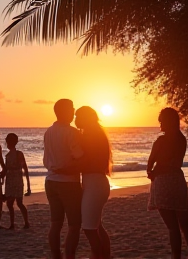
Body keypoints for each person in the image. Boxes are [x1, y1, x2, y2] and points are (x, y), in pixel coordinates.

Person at [56, 106, 111, 259]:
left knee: (89, 229)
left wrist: (65, 169)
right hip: (96, 183)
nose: (74, 119)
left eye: (77, 116)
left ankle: (99, 256)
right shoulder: (96, 134)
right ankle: (105, 255)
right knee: (97, 227)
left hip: (94, 184)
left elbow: (86, 163)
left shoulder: (90, 136)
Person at [147, 107, 188, 259]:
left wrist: (151, 172)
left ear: (168, 122)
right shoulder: (182, 140)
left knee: (172, 227)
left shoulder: (161, 141)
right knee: (185, 223)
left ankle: (176, 256)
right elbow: (176, 162)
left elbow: (151, 162)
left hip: (163, 182)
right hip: (178, 181)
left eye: (161, 121)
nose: (160, 124)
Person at [43, 99, 84, 259]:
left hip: (51, 180)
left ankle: (56, 255)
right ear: (64, 111)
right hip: (68, 182)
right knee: (74, 224)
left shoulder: (49, 131)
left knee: (55, 223)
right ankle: (69, 256)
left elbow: (47, 158)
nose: (74, 112)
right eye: (72, 109)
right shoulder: (71, 132)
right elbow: (79, 156)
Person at [3, 133, 31, 229]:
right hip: (10, 180)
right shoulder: (7, 155)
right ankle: (12, 224)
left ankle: (26, 222)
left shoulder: (19, 154)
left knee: (18, 203)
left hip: (17, 180)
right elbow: (5, 170)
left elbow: (25, 169)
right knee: (10, 203)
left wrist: (29, 186)